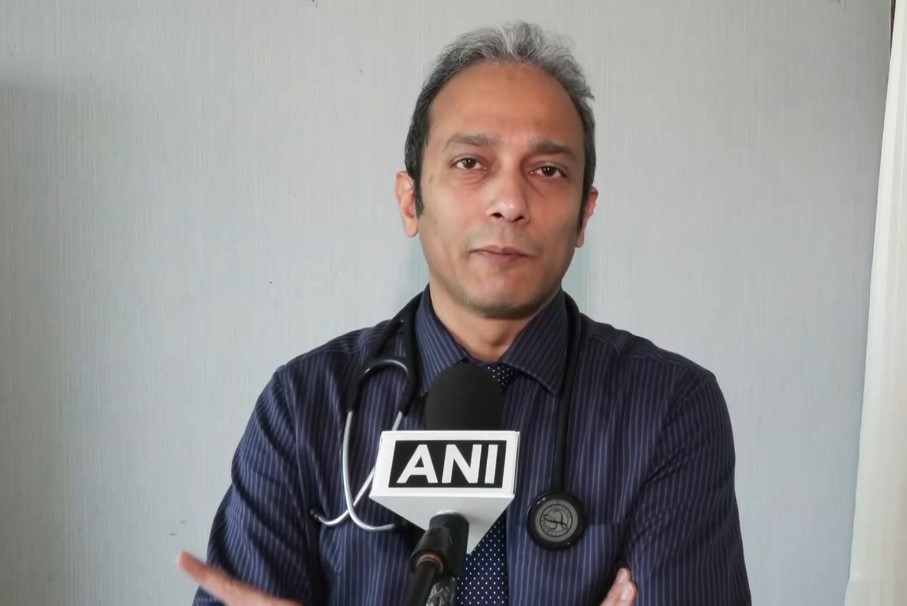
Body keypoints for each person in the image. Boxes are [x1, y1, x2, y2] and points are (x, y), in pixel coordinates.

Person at [177, 21, 751, 606]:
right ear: (411, 201)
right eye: (471, 162)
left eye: (548, 171)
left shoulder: (669, 407)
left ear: (584, 215)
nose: (510, 202)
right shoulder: (306, 406)